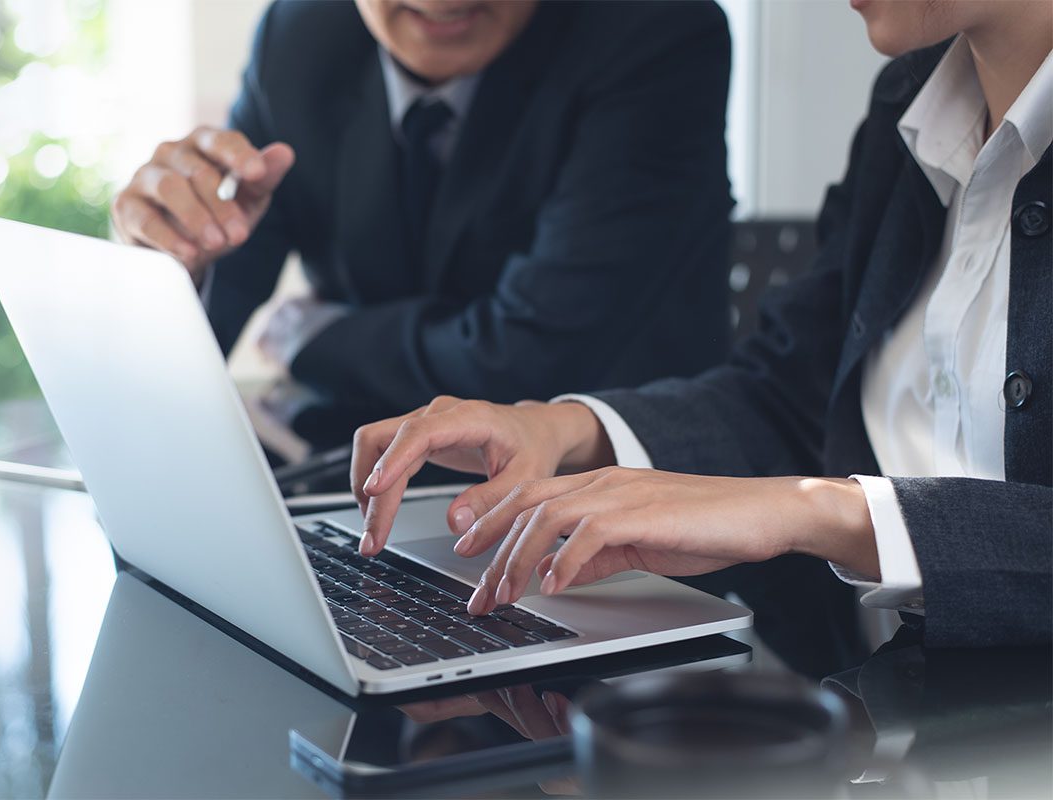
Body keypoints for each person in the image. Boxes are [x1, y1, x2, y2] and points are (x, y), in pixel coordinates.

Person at [351, 0, 1053, 649]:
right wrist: (563, 430)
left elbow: (817, 494)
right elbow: (790, 396)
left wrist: (819, 512)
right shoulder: (911, 102)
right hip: (889, 735)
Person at [111, 0, 734, 416]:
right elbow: (198, 330)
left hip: (608, 521)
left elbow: (531, 363)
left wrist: (314, 336)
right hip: (356, 486)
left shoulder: (658, 35)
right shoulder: (299, 35)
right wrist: (166, 264)